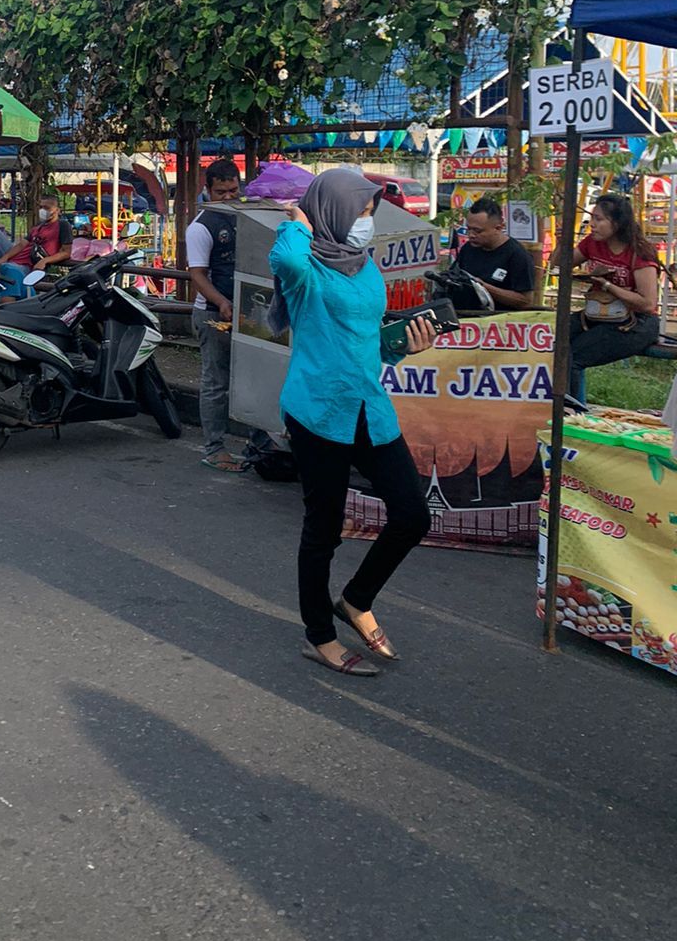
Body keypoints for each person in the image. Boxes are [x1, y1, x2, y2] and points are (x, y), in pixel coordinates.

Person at [270, 168, 437, 676]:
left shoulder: (363, 265)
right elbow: (286, 257)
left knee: (412, 515)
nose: (367, 222)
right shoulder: (303, 268)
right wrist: (296, 221)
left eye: (370, 213)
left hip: (369, 405)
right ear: (332, 212)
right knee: (323, 529)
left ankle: (356, 599)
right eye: (362, 212)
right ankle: (319, 635)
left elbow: (365, 336)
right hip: (318, 410)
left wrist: (403, 347)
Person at [568, 192, 660, 395]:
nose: (592, 224)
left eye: (599, 219)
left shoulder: (639, 252)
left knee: (572, 357)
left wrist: (609, 286)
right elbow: (560, 263)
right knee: (557, 337)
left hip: (638, 321)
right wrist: (562, 240)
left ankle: (572, 413)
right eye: (592, 217)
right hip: (601, 313)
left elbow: (647, 303)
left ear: (617, 223)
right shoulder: (592, 243)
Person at [186, 158, 245, 472]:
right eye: (221, 191)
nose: (228, 197)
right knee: (216, 383)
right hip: (213, 315)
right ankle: (214, 448)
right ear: (207, 191)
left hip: (249, 314)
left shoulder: (247, 216)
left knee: (252, 380)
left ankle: (260, 445)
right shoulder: (200, 227)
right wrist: (222, 302)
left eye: (233, 190)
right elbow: (198, 275)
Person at [451, 196, 536, 313]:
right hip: (468, 320)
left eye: (478, 231)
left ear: (498, 228)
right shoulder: (468, 248)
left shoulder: (517, 255)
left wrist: (482, 287)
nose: (471, 235)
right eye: (468, 229)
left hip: (501, 324)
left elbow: (525, 301)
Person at [0, 193, 73, 296]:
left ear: (57, 210)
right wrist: (5, 257)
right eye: (41, 207)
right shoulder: (38, 226)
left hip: (28, 266)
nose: (43, 210)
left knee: (8, 269)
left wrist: (45, 260)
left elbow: (66, 252)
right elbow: (21, 245)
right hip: (15, 257)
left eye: (47, 208)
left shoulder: (63, 225)